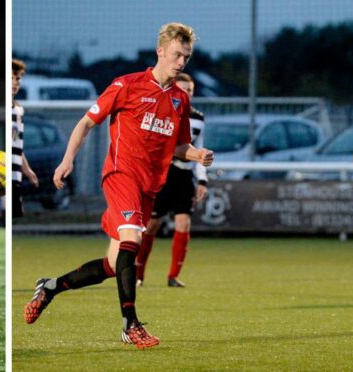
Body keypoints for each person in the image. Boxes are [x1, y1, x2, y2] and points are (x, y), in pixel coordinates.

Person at [24, 23, 213, 349]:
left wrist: (198, 154)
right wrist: (67, 159)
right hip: (121, 174)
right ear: (161, 51)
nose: (181, 61)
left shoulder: (180, 100)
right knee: (132, 240)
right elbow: (85, 122)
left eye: (187, 56)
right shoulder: (127, 85)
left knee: (114, 264)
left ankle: (51, 286)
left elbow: (181, 146)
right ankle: (130, 324)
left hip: (150, 187)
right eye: (177, 54)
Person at [135, 73, 208, 288]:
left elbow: (198, 152)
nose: (187, 94)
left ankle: (173, 275)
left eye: (191, 91)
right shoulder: (164, 112)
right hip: (164, 174)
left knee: (184, 222)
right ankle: (138, 275)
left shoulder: (198, 118)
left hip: (185, 177)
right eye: (183, 89)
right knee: (152, 225)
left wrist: (202, 181)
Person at [12, 59, 39, 218]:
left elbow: (17, 145)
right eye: (12, 78)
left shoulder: (18, 110)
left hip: (16, 176)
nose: (15, 82)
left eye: (18, 79)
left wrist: (27, 170)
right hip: (3, 175)